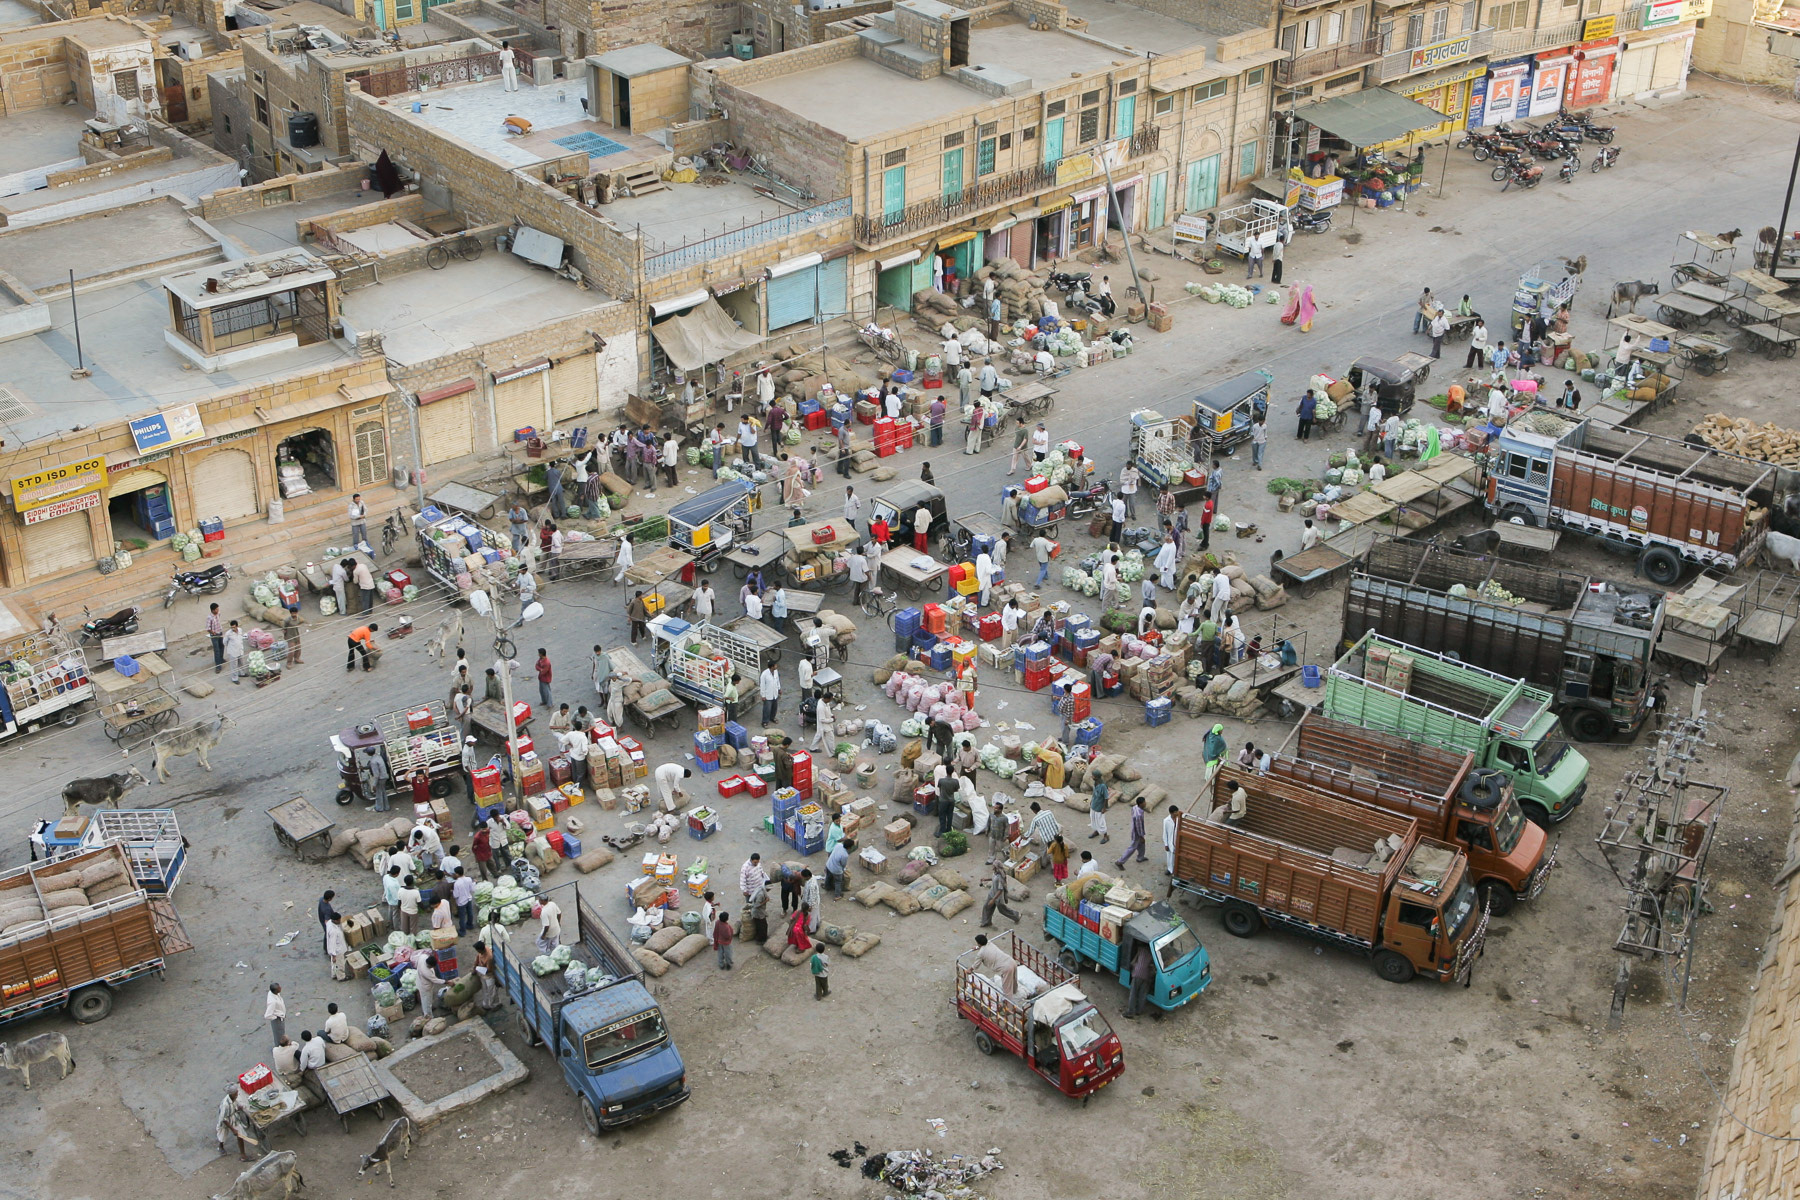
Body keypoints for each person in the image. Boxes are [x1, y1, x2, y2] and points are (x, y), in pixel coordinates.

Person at [1115, 797, 1148, 867]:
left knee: (1141, 844)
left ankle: (1140, 857)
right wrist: (1141, 836)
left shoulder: (1135, 807)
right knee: (1132, 848)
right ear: (1141, 804)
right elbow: (1139, 827)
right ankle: (1120, 861)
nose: (1145, 803)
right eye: (1144, 802)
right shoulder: (1138, 815)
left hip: (1134, 830)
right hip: (1137, 834)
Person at [1124, 941, 1153, 1019]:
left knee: (1133, 993)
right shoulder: (1153, 953)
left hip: (1137, 974)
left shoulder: (1141, 950)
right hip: (1147, 975)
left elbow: (1133, 962)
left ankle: (1130, 1012)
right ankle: (1139, 1011)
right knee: (1142, 994)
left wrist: (1133, 967)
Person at [224, 620, 246, 684]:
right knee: (234, 666)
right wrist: (231, 647)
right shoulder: (228, 634)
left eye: (234, 627)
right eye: (231, 627)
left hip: (240, 650)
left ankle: (242, 673)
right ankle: (234, 678)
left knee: (241, 662)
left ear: (237, 626)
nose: (233, 629)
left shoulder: (240, 630)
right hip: (233, 652)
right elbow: (225, 642)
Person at [1162, 804, 1182, 875]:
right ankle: (1169, 869)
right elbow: (1165, 833)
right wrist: (1166, 844)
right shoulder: (1166, 821)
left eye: (1177, 811)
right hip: (1170, 843)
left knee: (1177, 857)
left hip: (1177, 842)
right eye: (1175, 812)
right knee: (1170, 857)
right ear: (1171, 813)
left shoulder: (1180, 819)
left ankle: (1176, 870)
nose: (1177, 813)